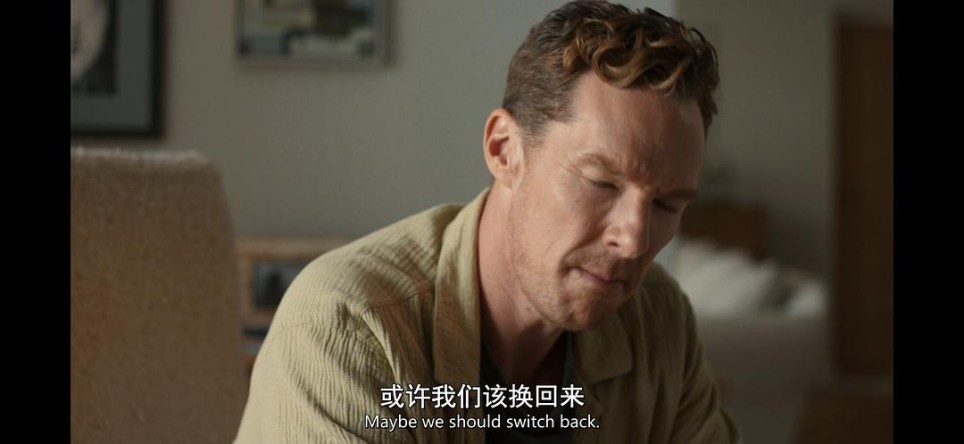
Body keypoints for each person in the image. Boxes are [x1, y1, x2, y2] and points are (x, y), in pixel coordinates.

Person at [235, 1, 741, 443]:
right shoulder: (348, 327)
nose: (634, 239)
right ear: (504, 150)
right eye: (602, 183)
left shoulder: (659, 320)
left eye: (666, 205)